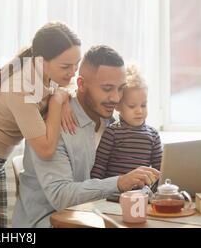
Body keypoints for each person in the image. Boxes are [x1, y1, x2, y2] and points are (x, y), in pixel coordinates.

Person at [0, 22, 81, 228]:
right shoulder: (21, 87)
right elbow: (45, 149)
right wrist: (57, 102)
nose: (73, 72)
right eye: (66, 66)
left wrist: (63, 95)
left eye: (76, 64)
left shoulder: (47, 74)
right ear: (42, 61)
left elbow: (69, 86)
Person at [12, 45, 160, 228]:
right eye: (107, 89)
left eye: (120, 89)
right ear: (81, 84)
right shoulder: (52, 126)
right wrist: (121, 182)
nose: (115, 98)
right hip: (48, 223)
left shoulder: (111, 124)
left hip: (91, 215)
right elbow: (61, 196)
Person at [90, 64, 162, 179]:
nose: (139, 111)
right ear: (118, 106)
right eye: (132, 106)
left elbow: (160, 171)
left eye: (143, 105)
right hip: (114, 194)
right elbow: (99, 167)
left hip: (142, 194)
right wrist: (94, 192)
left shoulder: (153, 135)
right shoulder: (112, 133)